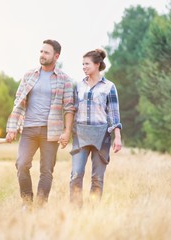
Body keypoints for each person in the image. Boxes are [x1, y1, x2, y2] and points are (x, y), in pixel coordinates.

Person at [6, 39, 75, 209]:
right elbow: (18, 101)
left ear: (56, 56)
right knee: (21, 165)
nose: (42, 55)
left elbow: (69, 108)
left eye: (46, 52)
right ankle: (27, 203)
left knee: (46, 171)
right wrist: (12, 128)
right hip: (28, 129)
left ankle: (39, 207)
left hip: (51, 132)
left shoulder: (64, 79)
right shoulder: (29, 75)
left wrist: (67, 132)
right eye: (41, 51)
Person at [70, 49, 122, 207]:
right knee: (76, 174)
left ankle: (93, 211)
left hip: (102, 136)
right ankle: (75, 211)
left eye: (87, 64)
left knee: (97, 178)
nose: (84, 67)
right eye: (82, 64)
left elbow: (114, 114)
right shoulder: (79, 86)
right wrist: (66, 131)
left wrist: (117, 137)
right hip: (81, 134)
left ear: (97, 64)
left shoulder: (109, 87)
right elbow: (72, 110)